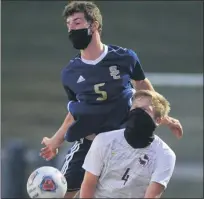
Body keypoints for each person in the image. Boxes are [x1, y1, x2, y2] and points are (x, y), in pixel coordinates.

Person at [40, 1, 183, 198]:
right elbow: (76, 112)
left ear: (95, 25)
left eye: (77, 23)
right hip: (90, 140)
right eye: (69, 25)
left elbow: (143, 87)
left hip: (122, 142)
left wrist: (164, 117)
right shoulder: (70, 73)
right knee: (63, 192)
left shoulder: (124, 58)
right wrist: (56, 140)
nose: (72, 29)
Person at [80, 90, 177, 198]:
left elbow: (152, 195)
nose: (137, 112)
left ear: (158, 120)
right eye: (135, 108)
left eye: (144, 110)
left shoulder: (165, 155)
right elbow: (89, 184)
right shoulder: (104, 140)